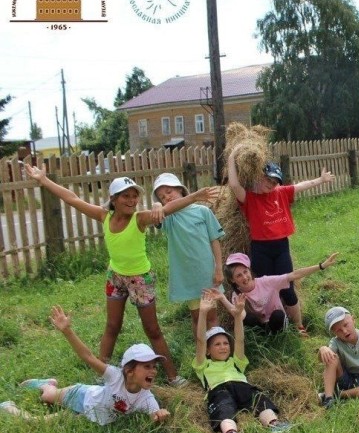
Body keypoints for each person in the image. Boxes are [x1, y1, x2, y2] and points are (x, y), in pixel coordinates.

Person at [25, 163, 219, 386]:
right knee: (112, 325)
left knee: (153, 329)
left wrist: (195, 196)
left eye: (134, 196)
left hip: (140, 280)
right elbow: (72, 199)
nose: (131, 200)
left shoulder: (139, 219)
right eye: (125, 196)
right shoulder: (104, 216)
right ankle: (101, 373)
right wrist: (43, 180)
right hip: (115, 277)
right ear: (113, 199)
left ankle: (173, 376)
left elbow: (166, 210)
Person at [227, 144, 335, 335]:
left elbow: (301, 186)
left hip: (281, 246)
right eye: (268, 180)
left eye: (275, 182)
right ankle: (269, 326)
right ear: (259, 177)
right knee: (263, 291)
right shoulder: (250, 198)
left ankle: (299, 326)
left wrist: (321, 179)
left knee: (288, 289)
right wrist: (233, 154)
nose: (271, 185)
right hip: (260, 248)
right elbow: (234, 184)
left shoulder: (280, 193)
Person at [0, 306, 170, 426]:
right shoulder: (115, 376)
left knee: (39, 422)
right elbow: (88, 357)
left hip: (90, 415)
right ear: (129, 371)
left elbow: (155, 415)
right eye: (147, 366)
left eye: (154, 366)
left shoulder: (146, 398)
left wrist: (160, 415)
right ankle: (47, 384)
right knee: (47, 397)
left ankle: (11, 407)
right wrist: (67, 331)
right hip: (82, 396)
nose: (153, 370)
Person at [193, 289, 291, 433]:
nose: (223, 347)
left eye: (225, 343)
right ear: (208, 351)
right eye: (217, 344)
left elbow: (239, 340)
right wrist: (203, 313)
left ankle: (274, 424)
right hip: (219, 390)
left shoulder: (236, 362)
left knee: (259, 400)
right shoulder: (203, 365)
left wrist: (238, 316)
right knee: (223, 409)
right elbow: (200, 340)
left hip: (242, 386)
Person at [152, 172, 225, 343]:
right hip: (188, 278)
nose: (166, 198)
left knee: (212, 316)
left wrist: (219, 268)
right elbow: (157, 215)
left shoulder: (203, 211)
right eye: (162, 197)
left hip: (206, 273)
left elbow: (215, 240)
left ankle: (217, 351)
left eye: (169, 192)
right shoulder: (168, 218)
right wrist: (156, 205)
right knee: (197, 317)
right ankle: (202, 351)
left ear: (180, 190)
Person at [224, 252, 338, 336]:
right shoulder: (237, 295)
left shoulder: (266, 282)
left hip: (276, 322)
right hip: (260, 326)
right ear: (232, 280)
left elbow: (294, 275)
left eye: (245, 272)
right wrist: (236, 307)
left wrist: (321, 266)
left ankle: (281, 337)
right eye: (239, 275)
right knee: (248, 319)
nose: (244, 277)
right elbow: (241, 317)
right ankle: (262, 340)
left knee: (278, 315)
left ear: (249, 270)